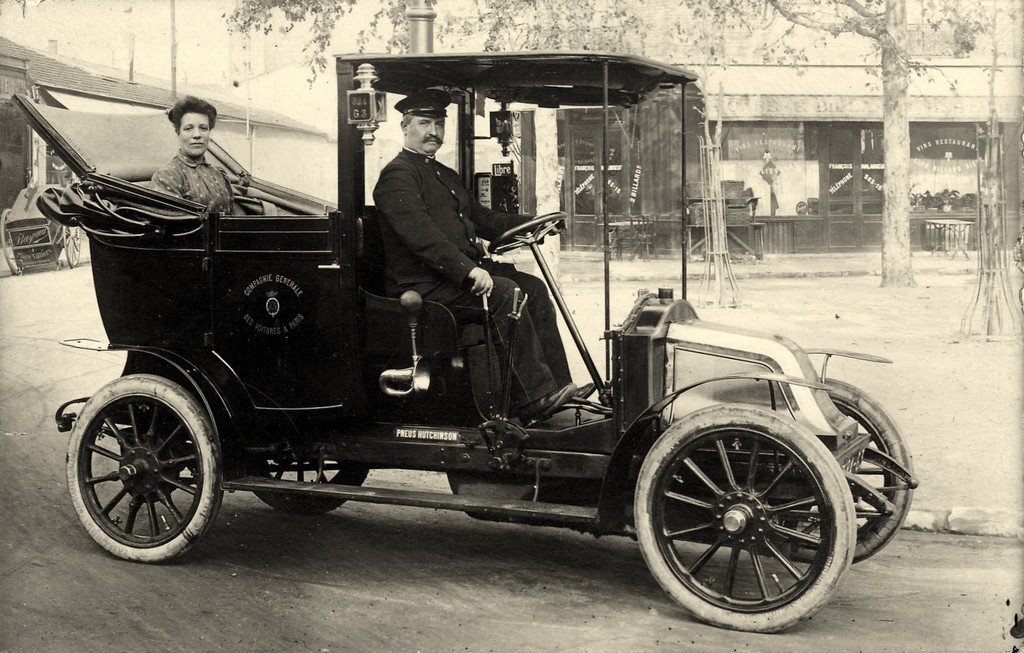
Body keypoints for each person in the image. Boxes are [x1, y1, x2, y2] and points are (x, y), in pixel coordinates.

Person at [372, 89, 589, 423]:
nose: (434, 131)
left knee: (532, 286)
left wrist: (537, 222)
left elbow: (485, 220)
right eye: (424, 123)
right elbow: (424, 239)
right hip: (425, 285)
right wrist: (469, 272)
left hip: (451, 278)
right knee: (505, 293)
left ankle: (557, 388)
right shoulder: (398, 176)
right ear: (405, 127)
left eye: (439, 124)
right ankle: (532, 400)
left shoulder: (445, 175)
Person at [151, 96, 233, 214]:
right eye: (189, 128)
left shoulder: (219, 174)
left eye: (203, 128)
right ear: (178, 133)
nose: (197, 135)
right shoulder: (167, 176)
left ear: (209, 133)